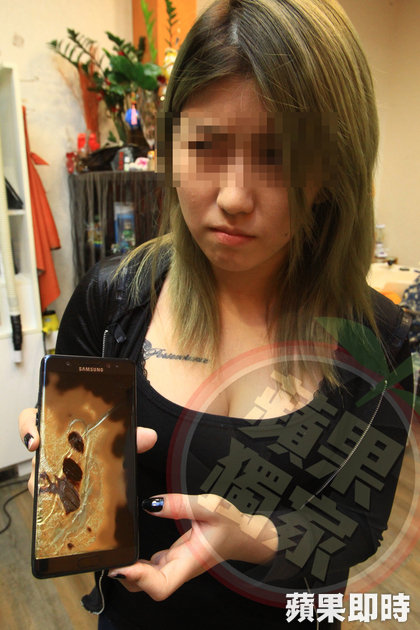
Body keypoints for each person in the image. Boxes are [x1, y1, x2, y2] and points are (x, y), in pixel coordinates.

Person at [19, 0, 414, 628]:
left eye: (277, 157)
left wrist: (253, 536)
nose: (232, 197)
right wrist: (62, 469)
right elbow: (72, 498)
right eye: (205, 146)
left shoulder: (375, 339)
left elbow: (358, 524)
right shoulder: (112, 300)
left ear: (332, 170)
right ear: (170, 145)